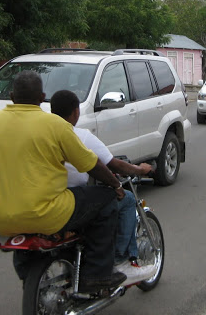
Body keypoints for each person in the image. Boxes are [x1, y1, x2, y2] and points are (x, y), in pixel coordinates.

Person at [0, 71, 127, 293]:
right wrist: (116, 185)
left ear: (12, 96)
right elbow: (91, 165)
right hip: (46, 212)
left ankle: (32, 275)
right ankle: (96, 274)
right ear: (42, 97)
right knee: (105, 199)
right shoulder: (55, 125)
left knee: (28, 220)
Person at [49, 90, 156, 285]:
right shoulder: (79, 136)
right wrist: (139, 170)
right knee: (126, 200)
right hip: (71, 200)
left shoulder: (43, 133)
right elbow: (110, 164)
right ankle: (120, 261)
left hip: (46, 198)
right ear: (75, 112)